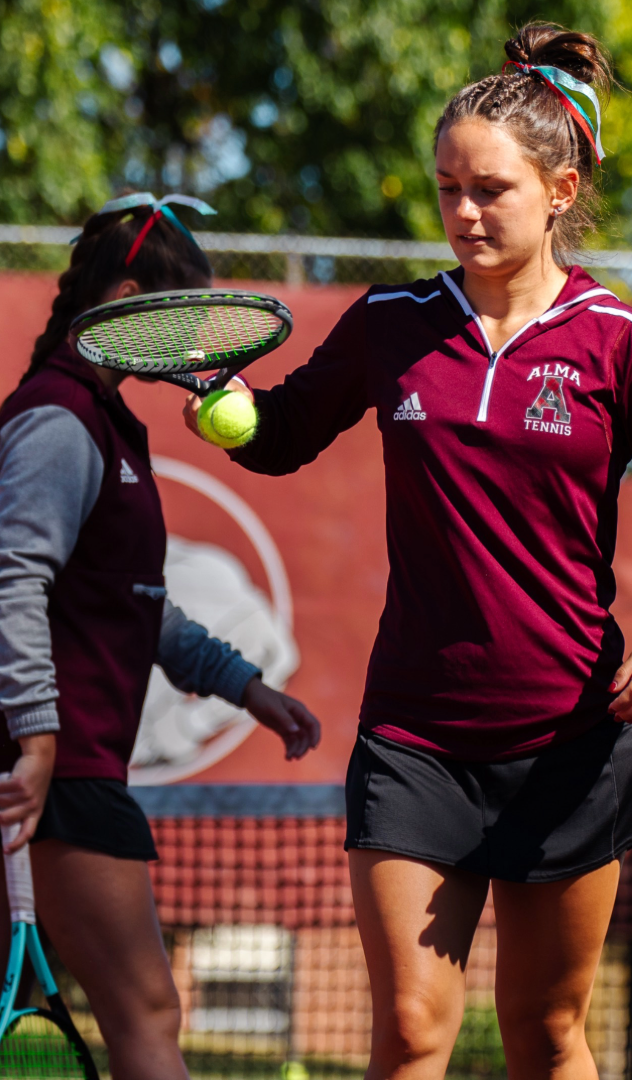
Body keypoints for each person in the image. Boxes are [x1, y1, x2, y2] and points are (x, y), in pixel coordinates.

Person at [189, 24, 632, 1079]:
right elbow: (285, 432)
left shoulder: (619, 340)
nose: (464, 213)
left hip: (569, 738)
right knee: (408, 1030)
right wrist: (234, 414)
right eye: (448, 189)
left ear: (561, 188)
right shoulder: (392, 323)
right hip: (416, 737)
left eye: (490, 189)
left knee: (546, 1035)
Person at [0, 195, 323, 1080]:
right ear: (130, 295)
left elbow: (135, 601)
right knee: (150, 1010)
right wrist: (34, 740)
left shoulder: (103, 422)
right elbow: (10, 577)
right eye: (178, 319)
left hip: (54, 770)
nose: (192, 349)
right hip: (51, 776)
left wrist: (245, 687)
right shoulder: (59, 422)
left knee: (148, 1011)